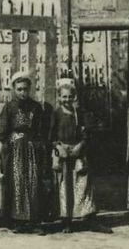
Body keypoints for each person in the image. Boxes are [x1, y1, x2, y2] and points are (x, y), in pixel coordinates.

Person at [0, 71, 48, 234]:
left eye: (25, 89)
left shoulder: (36, 107)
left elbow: (41, 131)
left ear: (30, 89)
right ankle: (18, 221)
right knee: (17, 183)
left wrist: (40, 149)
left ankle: (34, 221)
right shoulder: (9, 107)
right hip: (14, 151)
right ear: (13, 89)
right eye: (19, 89)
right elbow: (2, 134)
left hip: (32, 149)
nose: (22, 92)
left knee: (33, 183)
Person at [50, 79, 96, 232]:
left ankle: (87, 218)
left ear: (74, 97)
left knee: (82, 185)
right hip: (62, 153)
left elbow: (85, 134)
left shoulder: (79, 114)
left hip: (77, 152)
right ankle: (66, 221)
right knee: (65, 187)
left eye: (70, 96)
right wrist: (58, 147)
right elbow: (50, 135)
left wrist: (79, 146)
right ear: (59, 97)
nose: (67, 100)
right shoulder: (56, 114)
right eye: (64, 97)